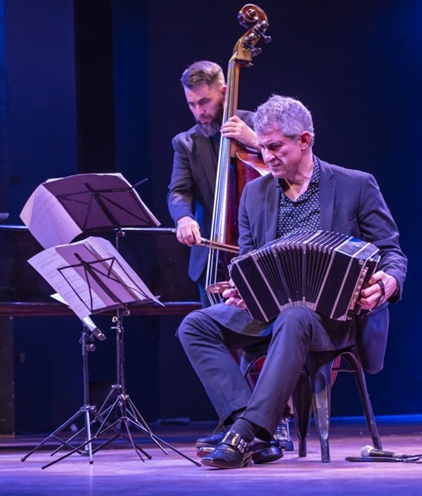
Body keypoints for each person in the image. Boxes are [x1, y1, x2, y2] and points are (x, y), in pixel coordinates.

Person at [176, 95, 407, 469]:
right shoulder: (255, 193)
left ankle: (245, 434)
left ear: (304, 140)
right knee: (196, 325)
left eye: (274, 146)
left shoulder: (356, 185)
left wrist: (388, 282)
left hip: (333, 317)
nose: (266, 156)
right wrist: (243, 289)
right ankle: (247, 424)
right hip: (268, 312)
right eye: (262, 147)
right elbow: (247, 262)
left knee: (296, 315)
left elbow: (391, 251)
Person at [167, 60, 260, 308]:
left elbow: (292, 167)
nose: (199, 112)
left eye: (204, 102)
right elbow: (179, 191)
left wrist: (256, 142)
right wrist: (183, 218)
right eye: (192, 104)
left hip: (258, 257)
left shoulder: (257, 125)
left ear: (224, 92)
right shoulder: (185, 143)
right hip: (211, 260)